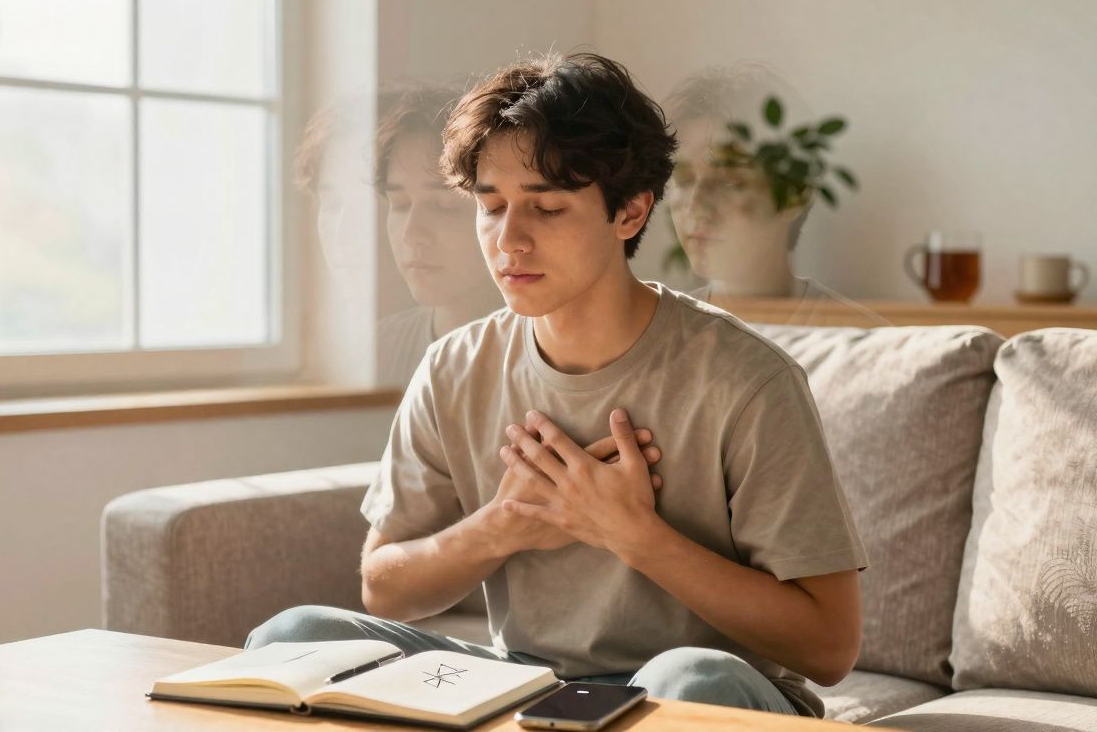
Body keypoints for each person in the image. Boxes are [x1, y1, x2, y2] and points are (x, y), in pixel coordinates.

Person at [247, 52, 868, 719]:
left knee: (688, 679)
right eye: (491, 208)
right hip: (530, 687)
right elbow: (384, 587)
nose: (508, 241)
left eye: (545, 209)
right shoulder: (455, 368)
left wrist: (634, 534)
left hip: (707, 700)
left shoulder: (746, 379)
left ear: (629, 212)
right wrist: (502, 526)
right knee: (294, 639)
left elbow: (830, 646)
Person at [663, 64, 887, 326]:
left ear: (795, 193)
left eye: (727, 182)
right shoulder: (662, 334)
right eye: (683, 179)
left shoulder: (858, 341)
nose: (695, 208)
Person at [373, 86, 506, 387]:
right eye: (401, 205)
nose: (412, 234)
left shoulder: (559, 355)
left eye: (444, 206)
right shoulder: (377, 353)